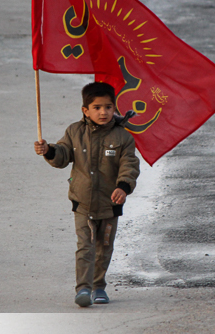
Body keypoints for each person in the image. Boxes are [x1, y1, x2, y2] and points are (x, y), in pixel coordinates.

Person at [34, 82, 140, 307]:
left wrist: (123, 186)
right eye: (97, 107)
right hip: (82, 202)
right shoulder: (75, 132)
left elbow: (129, 164)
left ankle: (98, 286)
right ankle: (83, 288)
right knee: (85, 245)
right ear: (85, 110)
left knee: (104, 247)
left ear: (114, 108)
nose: (103, 112)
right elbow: (62, 156)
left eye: (108, 107)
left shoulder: (123, 137)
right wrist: (49, 150)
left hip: (110, 203)